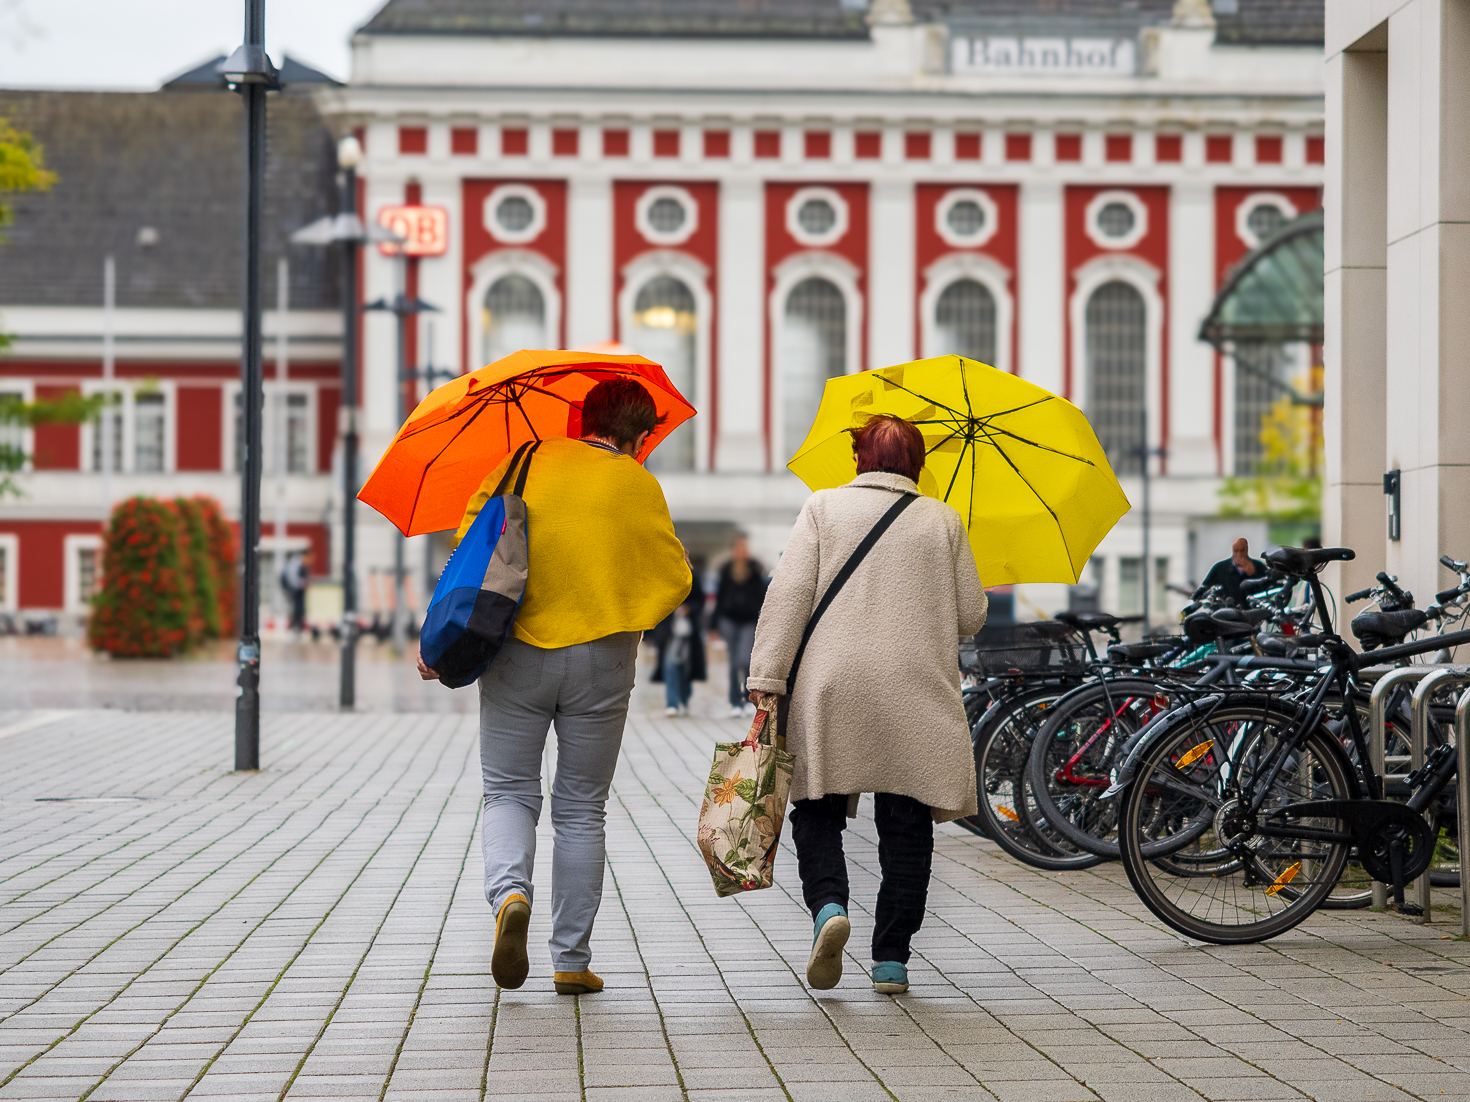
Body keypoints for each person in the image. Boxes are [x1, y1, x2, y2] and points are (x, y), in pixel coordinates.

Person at [416, 378, 690, 996]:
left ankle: (510, 894)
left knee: (509, 791)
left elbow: (468, 547)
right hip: (603, 660)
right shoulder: (638, 484)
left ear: (581, 419)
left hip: (515, 651)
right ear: (639, 435)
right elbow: (674, 579)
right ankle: (570, 961)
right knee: (580, 809)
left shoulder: (524, 460)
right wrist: (622, 602)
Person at [746, 415, 987, 996]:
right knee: (907, 823)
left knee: (816, 807)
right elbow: (972, 613)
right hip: (915, 687)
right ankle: (892, 960)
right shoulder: (943, 519)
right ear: (918, 463)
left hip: (832, 686)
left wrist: (766, 678)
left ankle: (829, 908)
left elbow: (790, 596)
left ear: (858, 459)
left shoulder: (823, 508)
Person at [713, 536, 767, 717]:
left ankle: (746, 697)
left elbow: (761, 595)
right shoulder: (726, 569)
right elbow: (720, 597)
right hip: (729, 619)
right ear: (734, 550)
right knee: (733, 662)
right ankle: (734, 701)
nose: (744, 550)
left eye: (745, 547)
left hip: (748, 620)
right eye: (740, 547)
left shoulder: (754, 569)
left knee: (745, 659)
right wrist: (714, 625)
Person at [649, 575, 705, 716]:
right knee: (670, 664)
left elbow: (700, 600)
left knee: (686, 666)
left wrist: (689, 608)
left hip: (688, 632)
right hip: (668, 632)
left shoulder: (692, 577)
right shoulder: (662, 574)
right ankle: (672, 703)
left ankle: (684, 698)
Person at [1194, 537, 1268, 607]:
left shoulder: (1258, 566)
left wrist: (1252, 574)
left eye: (1242, 550)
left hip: (1253, 611)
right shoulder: (1220, 568)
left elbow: (1268, 586)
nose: (1239, 554)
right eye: (1236, 551)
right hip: (1227, 611)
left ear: (1247, 550)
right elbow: (1206, 587)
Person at [281, 549, 312, 635]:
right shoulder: (296, 564)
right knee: (295, 607)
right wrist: (301, 583)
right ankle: (294, 626)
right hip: (293, 589)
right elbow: (293, 579)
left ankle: (298, 625)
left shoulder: (302, 565)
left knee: (299, 607)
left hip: (297, 589)